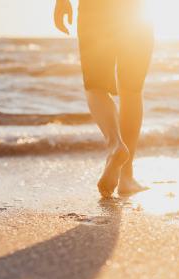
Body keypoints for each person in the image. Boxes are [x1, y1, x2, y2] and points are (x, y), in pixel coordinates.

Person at [54, 0, 154, 197]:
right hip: (135, 12)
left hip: (95, 8)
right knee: (132, 91)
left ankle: (115, 144)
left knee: (95, 86)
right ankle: (126, 178)